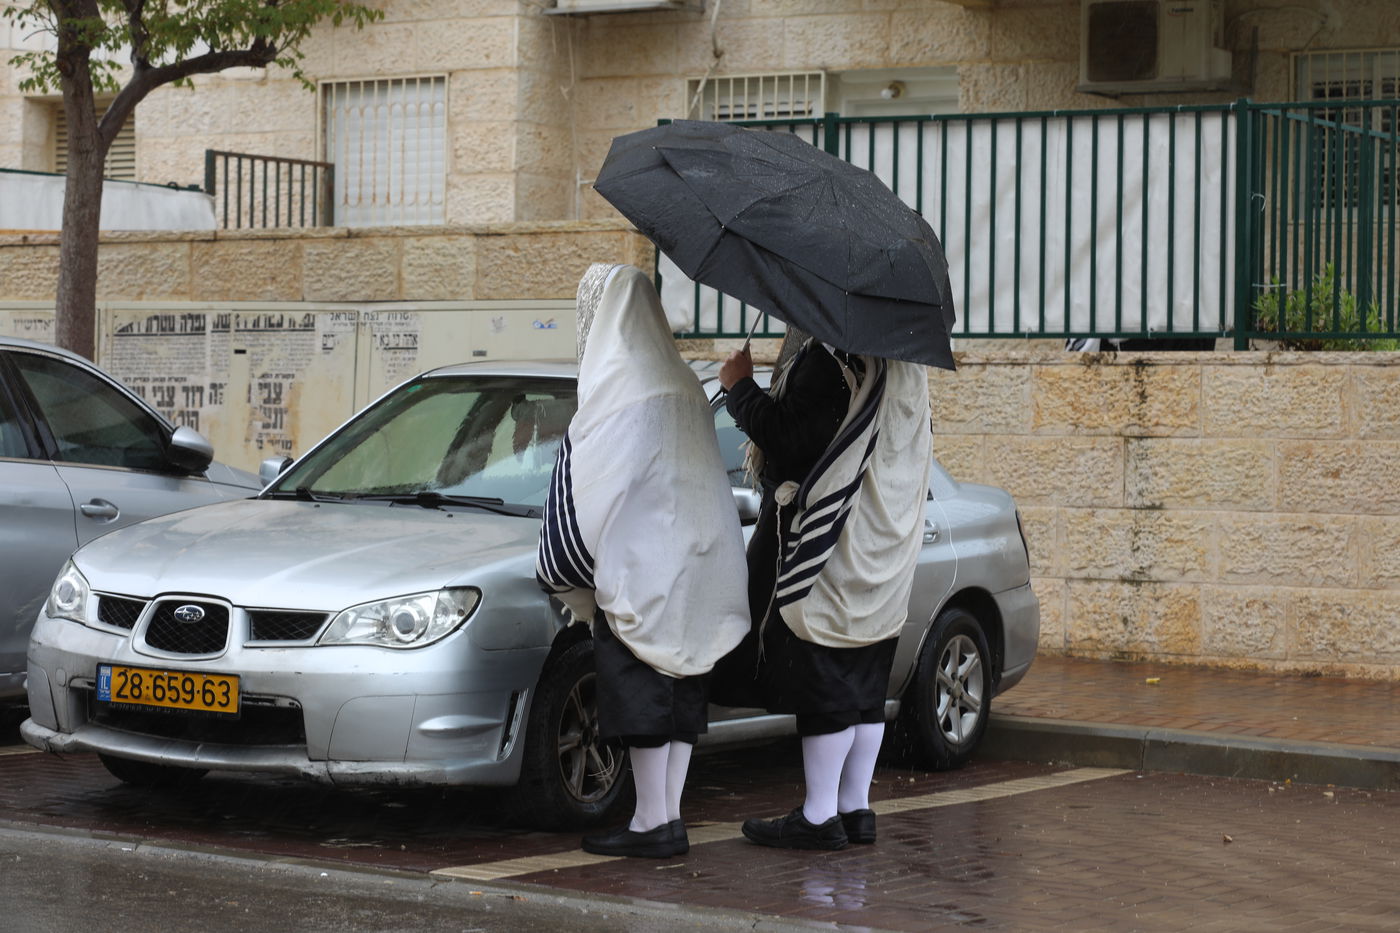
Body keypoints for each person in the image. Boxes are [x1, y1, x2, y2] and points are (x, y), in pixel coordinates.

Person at [536, 263, 750, 859]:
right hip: (697, 561)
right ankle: (667, 816)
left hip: (642, 563)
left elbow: (592, 485)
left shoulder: (618, 388)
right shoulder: (682, 381)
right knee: (681, 692)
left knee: (642, 696)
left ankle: (651, 824)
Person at [715, 331, 932, 850]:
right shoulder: (905, 362)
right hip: (887, 540)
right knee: (865, 684)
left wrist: (740, 388)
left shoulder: (834, 359)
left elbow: (790, 439)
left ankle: (818, 816)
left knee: (828, 678)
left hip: (837, 541)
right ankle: (855, 809)